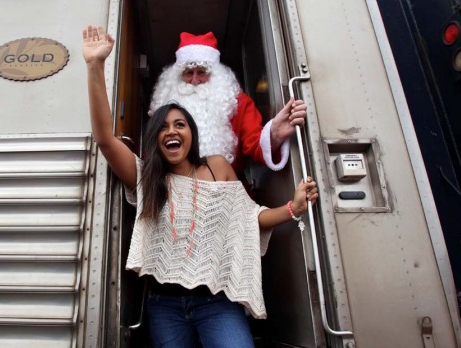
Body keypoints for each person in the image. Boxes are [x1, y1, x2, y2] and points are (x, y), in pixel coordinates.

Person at [83, 25, 318, 348]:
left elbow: (249, 217)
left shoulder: (217, 166)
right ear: (155, 137)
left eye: (180, 124)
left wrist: (294, 207)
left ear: (191, 133)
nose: (172, 131)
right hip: (164, 305)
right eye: (163, 127)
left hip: (217, 302)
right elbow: (106, 141)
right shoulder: (147, 177)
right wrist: (95, 66)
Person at [149, 31, 308, 180]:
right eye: (189, 73)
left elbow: (254, 143)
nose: (195, 80)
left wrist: (274, 135)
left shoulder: (237, 102)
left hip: (226, 190)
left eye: (202, 72)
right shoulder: (164, 105)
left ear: (215, 74)